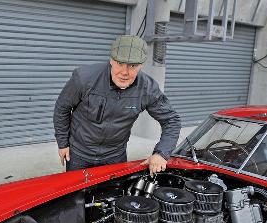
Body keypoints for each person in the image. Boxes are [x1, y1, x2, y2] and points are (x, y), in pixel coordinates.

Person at [53, 35, 181, 176]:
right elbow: (62, 108)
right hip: (79, 153)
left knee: (112, 196)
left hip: (115, 157)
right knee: (74, 196)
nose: (125, 72)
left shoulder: (148, 89)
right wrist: (63, 143)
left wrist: (161, 153)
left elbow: (171, 120)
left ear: (141, 65)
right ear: (111, 60)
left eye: (132, 66)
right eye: (120, 63)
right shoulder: (84, 78)